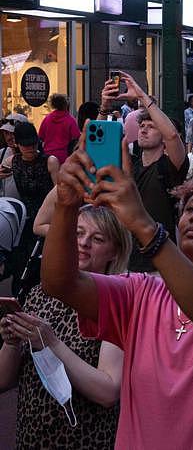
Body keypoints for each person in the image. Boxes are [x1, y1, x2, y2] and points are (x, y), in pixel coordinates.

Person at [43, 152, 193, 448]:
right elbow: (60, 283)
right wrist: (66, 206)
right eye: (190, 207)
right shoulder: (141, 291)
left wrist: (146, 227)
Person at [0, 205, 130, 449]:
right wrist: (10, 342)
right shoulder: (41, 293)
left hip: (83, 440)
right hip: (32, 436)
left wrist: (52, 343)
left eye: (97, 238)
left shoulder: (115, 303)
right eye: (77, 233)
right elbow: (3, 381)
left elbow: (108, 392)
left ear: (115, 251)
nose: (83, 243)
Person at [101, 74, 189, 272]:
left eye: (151, 127)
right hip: (124, 260)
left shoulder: (169, 167)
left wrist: (142, 96)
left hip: (158, 263)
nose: (144, 130)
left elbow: (173, 135)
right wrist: (104, 107)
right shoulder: (129, 163)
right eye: (141, 126)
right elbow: (93, 149)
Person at [7, 122, 59, 296]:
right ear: (17, 144)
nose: (30, 148)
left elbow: (61, 192)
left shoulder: (50, 162)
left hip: (46, 219)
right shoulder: (13, 161)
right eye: (25, 145)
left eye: (33, 144)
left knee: (42, 264)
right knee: (21, 265)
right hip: (24, 222)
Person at [38, 94, 80, 164]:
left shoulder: (47, 118)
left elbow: (41, 137)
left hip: (47, 156)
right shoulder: (70, 119)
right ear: (66, 105)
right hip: (63, 156)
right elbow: (77, 137)